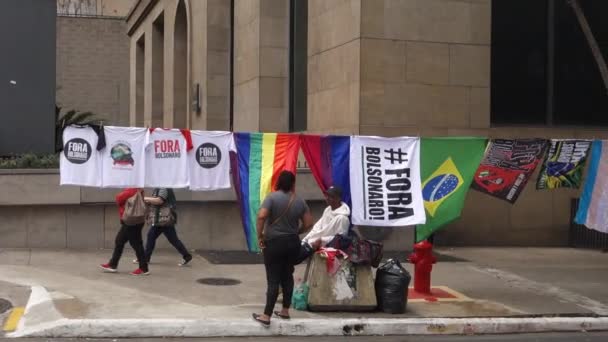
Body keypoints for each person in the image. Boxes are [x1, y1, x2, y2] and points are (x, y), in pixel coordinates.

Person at [252, 170, 314, 327]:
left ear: (279, 182)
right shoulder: (300, 201)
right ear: (293, 184)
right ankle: (285, 310)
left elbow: (261, 216)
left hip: (274, 243)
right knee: (287, 276)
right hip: (292, 243)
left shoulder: (272, 197)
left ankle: (266, 315)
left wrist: (260, 236)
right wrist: (296, 232)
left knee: (273, 279)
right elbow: (308, 224)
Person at [100, 188, 149, 276]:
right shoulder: (139, 189)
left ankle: (143, 268)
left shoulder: (132, 189)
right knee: (120, 241)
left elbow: (119, 198)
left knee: (136, 244)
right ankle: (112, 264)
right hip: (136, 220)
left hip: (130, 221)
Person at [141, 188, 193, 266]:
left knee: (171, 239)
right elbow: (156, 200)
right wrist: (148, 201)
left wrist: (143, 198)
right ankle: (186, 256)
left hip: (164, 219)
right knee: (152, 237)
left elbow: (159, 200)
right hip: (161, 219)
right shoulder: (158, 188)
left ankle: (187, 256)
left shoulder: (163, 188)